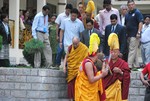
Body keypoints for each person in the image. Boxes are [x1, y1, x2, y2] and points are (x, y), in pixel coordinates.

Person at [75, 33, 108, 101]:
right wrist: (102, 74)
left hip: (89, 92)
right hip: (86, 94)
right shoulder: (88, 63)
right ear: (96, 54)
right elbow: (91, 79)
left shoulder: (89, 62)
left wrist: (104, 67)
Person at [103, 33, 130, 101]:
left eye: (115, 52)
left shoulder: (124, 64)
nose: (113, 54)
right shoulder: (106, 62)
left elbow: (127, 77)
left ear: (118, 53)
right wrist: (106, 71)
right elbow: (101, 76)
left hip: (118, 91)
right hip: (107, 89)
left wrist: (120, 72)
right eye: (112, 52)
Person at [64, 37, 88, 101]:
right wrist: (64, 66)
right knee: (70, 84)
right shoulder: (70, 48)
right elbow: (66, 57)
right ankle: (71, 98)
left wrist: (82, 66)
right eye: (74, 44)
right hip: (71, 69)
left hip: (79, 70)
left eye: (76, 44)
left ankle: (77, 98)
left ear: (79, 42)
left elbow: (86, 59)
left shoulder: (84, 48)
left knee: (77, 85)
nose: (75, 45)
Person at [125, 0, 143, 69]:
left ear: (134, 5)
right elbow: (126, 25)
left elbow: (140, 22)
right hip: (128, 35)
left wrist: (139, 32)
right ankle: (136, 65)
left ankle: (128, 65)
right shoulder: (127, 14)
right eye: (129, 5)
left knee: (132, 50)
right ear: (128, 6)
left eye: (132, 4)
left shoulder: (137, 12)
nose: (131, 6)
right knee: (133, 49)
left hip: (135, 35)